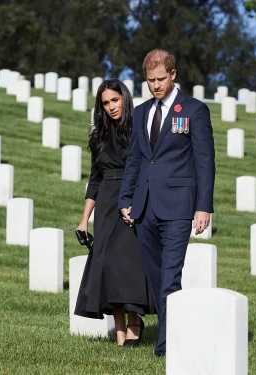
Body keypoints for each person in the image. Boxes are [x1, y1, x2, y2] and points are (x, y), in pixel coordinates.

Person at [118, 49, 215, 357]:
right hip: (144, 207)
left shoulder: (195, 111)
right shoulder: (143, 112)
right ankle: (177, 329)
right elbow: (134, 159)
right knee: (156, 277)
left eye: (161, 79)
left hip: (178, 207)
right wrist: (126, 198)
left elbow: (205, 161)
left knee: (170, 277)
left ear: (174, 75)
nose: (156, 85)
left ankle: (166, 347)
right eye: (150, 80)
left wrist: (204, 206)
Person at [75, 79, 152, 347]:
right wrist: (84, 218)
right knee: (107, 265)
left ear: (125, 99)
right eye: (105, 103)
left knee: (126, 264)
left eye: (115, 100)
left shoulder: (138, 130)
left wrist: (135, 201)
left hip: (130, 199)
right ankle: (120, 333)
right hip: (106, 202)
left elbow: (145, 169)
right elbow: (95, 178)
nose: (111, 107)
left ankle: (135, 320)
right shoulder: (98, 137)